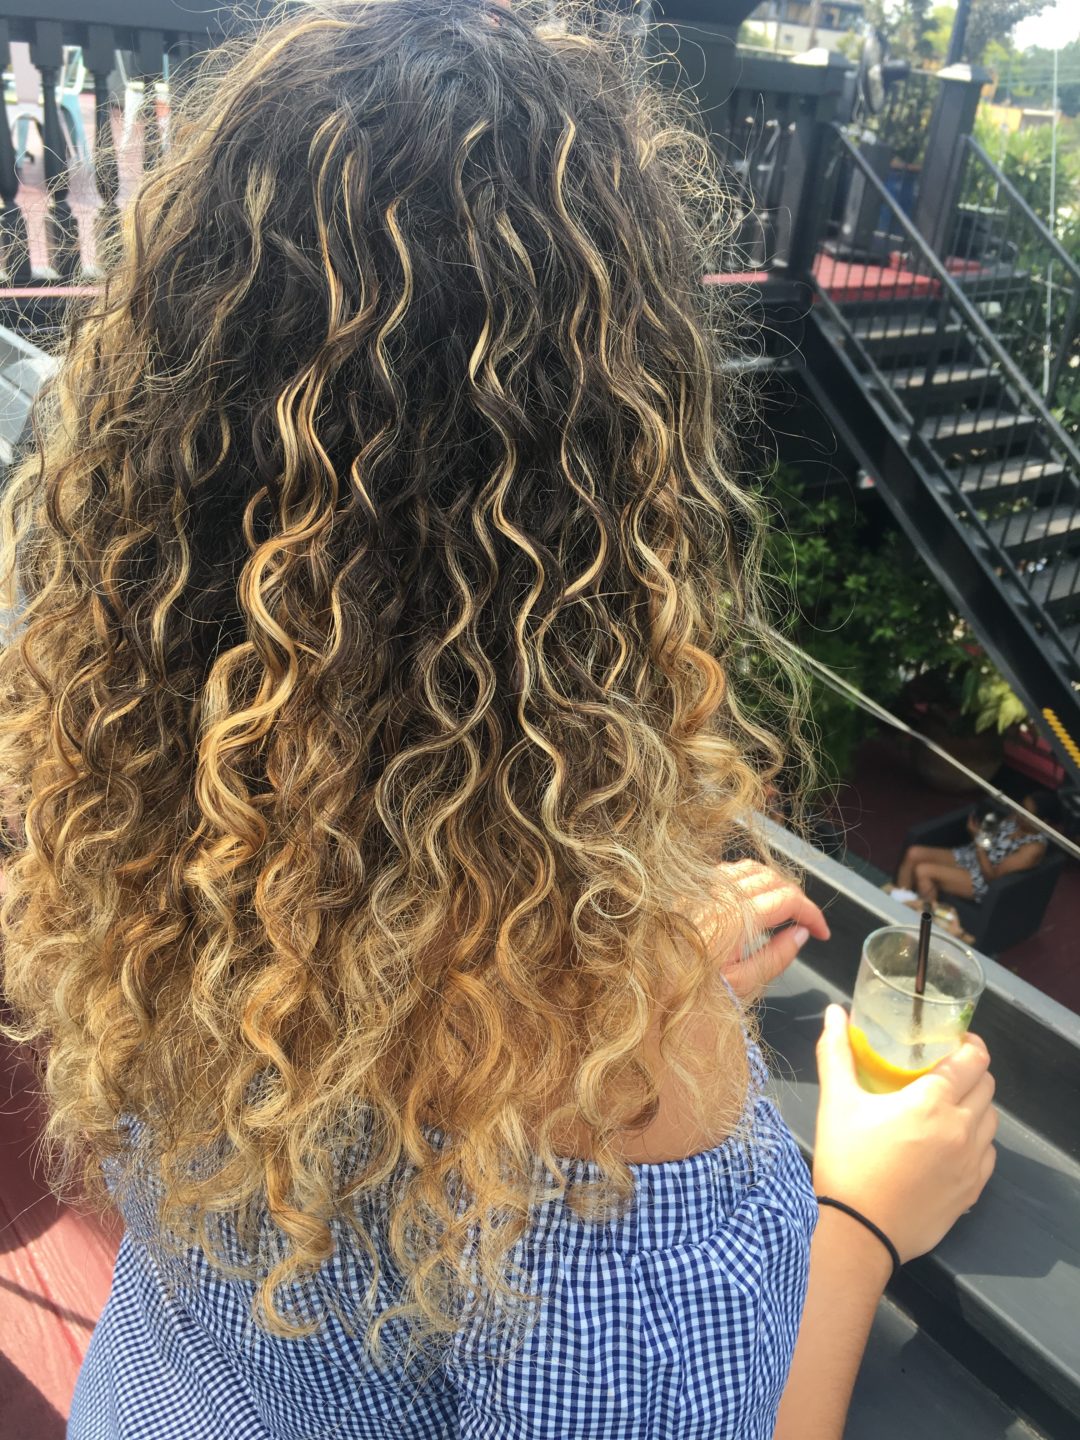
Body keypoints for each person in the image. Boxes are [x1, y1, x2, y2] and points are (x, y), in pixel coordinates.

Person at [0, 4, 996, 1438]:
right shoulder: (625, 1097)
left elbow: (358, 1001)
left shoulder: (131, 790)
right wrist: (859, 1215)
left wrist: (605, 960)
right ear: (624, 476)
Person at [896, 788, 1060, 906]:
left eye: (1027, 813)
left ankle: (923, 922)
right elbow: (990, 836)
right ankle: (898, 903)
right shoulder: (1016, 819)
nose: (1020, 814)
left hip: (983, 880)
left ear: (1043, 822)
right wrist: (981, 830)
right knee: (914, 853)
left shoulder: (1033, 848)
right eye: (1022, 807)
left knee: (924, 871)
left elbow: (993, 877)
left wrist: (978, 839)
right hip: (971, 856)